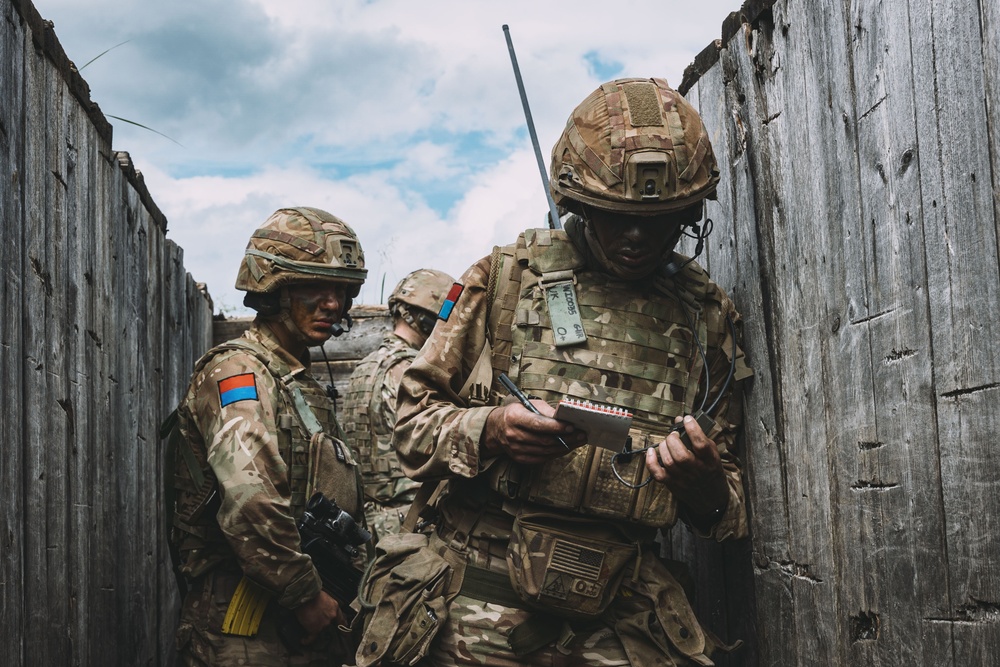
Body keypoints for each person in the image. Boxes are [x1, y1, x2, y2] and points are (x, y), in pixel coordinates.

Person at [356, 78, 753, 667]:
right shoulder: (504, 278)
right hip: (474, 608)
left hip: (622, 616)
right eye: (616, 217)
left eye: (661, 219)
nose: (638, 237)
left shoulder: (706, 315)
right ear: (577, 201)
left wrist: (707, 490)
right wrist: (490, 429)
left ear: (690, 213)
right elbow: (411, 427)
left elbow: (731, 506)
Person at [166, 206, 370, 666]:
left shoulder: (294, 379)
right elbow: (249, 498)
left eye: (341, 289)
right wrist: (304, 594)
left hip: (296, 612)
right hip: (247, 622)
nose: (332, 303)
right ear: (273, 290)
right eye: (313, 287)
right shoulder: (241, 371)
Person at [341, 268, 456, 541]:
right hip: (410, 521)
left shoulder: (364, 367)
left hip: (367, 520)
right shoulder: (412, 372)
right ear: (430, 321)